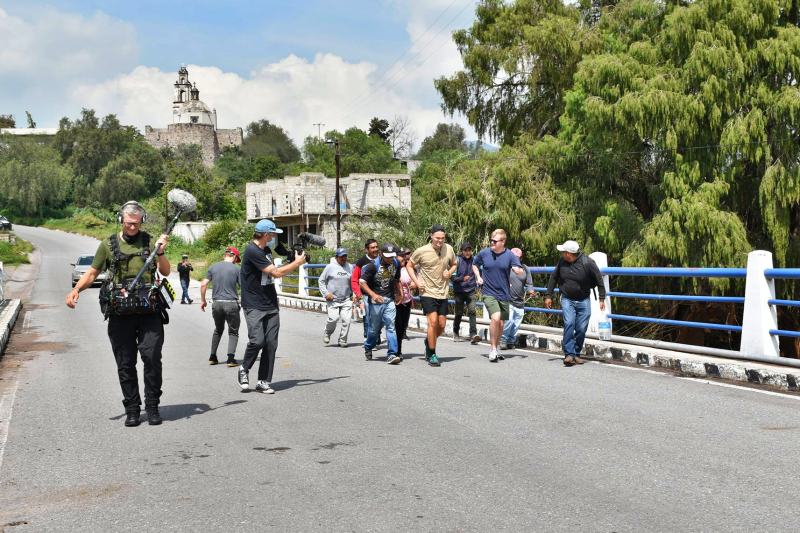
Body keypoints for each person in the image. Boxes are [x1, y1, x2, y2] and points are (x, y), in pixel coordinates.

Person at [65, 201, 170, 427]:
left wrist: (160, 252)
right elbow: (93, 272)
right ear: (121, 220)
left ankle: (152, 406)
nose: (132, 227)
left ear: (142, 221)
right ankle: (132, 408)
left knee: (152, 358)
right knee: (125, 362)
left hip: (149, 311)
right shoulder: (108, 245)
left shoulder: (151, 241)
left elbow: (166, 271)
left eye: (136, 223)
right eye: (128, 222)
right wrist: (76, 289)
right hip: (120, 313)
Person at [238, 219, 306, 393]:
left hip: (270, 303)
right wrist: (297, 263)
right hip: (253, 303)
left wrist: (292, 257)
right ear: (266, 234)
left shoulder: (266, 250)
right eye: (273, 234)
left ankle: (263, 381)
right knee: (257, 340)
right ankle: (244, 368)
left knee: (270, 344)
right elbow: (275, 273)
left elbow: (274, 268)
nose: (275, 237)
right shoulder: (252, 251)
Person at [544, 240, 606, 366]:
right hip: (567, 298)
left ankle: (576, 353)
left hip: (584, 300)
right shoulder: (562, 262)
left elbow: (599, 279)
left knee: (581, 328)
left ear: (569, 254)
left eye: (563, 252)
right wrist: (548, 296)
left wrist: (601, 298)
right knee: (569, 323)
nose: (561, 254)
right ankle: (569, 354)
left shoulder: (588, 263)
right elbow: (553, 278)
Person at [406, 224, 457, 367]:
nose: (440, 241)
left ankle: (429, 340)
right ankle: (432, 353)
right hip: (427, 291)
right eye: (437, 238)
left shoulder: (449, 249)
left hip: (443, 292)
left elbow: (454, 264)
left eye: (442, 238)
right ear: (431, 236)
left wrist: (450, 272)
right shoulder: (422, 251)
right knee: (433, 322)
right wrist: (416, 281)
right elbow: (409, 265)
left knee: (441, 326)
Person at [473, 229, 525, 363]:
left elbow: (518, 269)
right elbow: (474, 264)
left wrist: (517, 270)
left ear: (503, 242)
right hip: (488, 292)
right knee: (495, 318)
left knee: (501, 323)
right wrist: (478, 276)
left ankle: (496, 348)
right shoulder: (484, 253)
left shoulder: (510, 255)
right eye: (491, 240)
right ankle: (493, 350)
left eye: (495, 241)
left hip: (504, 293)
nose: (492, 242)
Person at [360, 243, 402, 364]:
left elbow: (396, 279)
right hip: (375, 301)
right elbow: (362, 282)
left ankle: (392, 354)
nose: (390, 259)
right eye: (387, 256)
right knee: (374, 329)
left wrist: (399, 293)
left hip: (389, 300)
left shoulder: (396, 263)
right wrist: (373, 295)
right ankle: (368, 346)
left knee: (390, 326)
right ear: (381, 254)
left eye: (392, 256)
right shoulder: (373, 266)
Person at [200, 246, 242, 367]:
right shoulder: (237, 269)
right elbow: (243, 288)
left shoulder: (213, 267)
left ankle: (212, 357)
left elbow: (203, 284)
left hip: (217, 303)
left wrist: (203, 301)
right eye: (236, 259)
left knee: (218, 330)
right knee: (233, 331)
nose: (236, 261)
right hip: (231, 304)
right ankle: (230, 359)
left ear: (225, 255)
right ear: (234, 256)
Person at [500, 248, 535, 351]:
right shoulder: (506, 267)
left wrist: (531, 291)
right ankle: (503, 340)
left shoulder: (525, 269)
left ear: (520, 257)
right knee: (509, 321)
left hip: (519, 301)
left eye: (517, 257)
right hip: (508, 299)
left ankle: (511, 341)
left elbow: (529, 283)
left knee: (516, 323)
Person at [319, 247, 354, 348]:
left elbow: (353, 281)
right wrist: (326, 293)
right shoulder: (330, 267)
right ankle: (327, 332)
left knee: (347, 320)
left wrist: (355, 294)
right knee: (333, 319)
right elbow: (321, 281)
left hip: (346, 298)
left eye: (345, 256)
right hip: (333, 298)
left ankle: (342, 340)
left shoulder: (350, 267)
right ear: (336, 257)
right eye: (341, 256)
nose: (344, 258)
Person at [351, 239, 380, 342]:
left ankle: (377, 335)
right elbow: (354, 280)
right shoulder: (361, 262)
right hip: (366, 295)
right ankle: (368, 338)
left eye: (376, 247)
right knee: (368, 317)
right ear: (366, 249)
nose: (375, 249)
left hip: (380, 294)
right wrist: (359, 295)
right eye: (372, 247)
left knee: (379, 317)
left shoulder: (382, 260)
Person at [452, 241, 480, 344]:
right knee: (459, 313)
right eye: (465, 250)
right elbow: (452, 277)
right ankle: (455, 332)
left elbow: (478, 272)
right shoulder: (457, 260)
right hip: (459, 291)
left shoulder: (474, 261)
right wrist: (462, 279)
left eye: (469, 250)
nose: (468, 252)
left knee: (472, 311)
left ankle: (473, 334)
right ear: (462, 251)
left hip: (471, 290)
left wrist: (478, 280)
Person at [395, 247, 415, 358]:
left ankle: (398, 349)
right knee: (396, 326)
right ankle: (396, 351)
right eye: (401, 256)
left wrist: (414, 284)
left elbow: (415, 280)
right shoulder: (391, 269)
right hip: (395, 302)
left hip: (407, 300)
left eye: (404, 256)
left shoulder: (409, 268)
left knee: (403, 326)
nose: (403, 258)